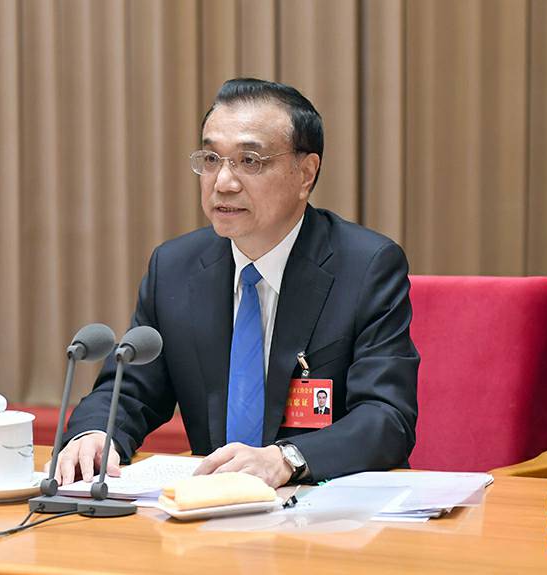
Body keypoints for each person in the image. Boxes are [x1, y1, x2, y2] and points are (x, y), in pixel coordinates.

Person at [54, 78, 419, 489]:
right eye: (211, 159)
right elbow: (131, 390)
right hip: (214, 509)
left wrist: (287, 459)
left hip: (331, 508)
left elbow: (386, 416)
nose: (223, 182)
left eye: (250, 161)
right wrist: (95, 433)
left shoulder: (365, 267)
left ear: (306, 173)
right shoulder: (175, 268)